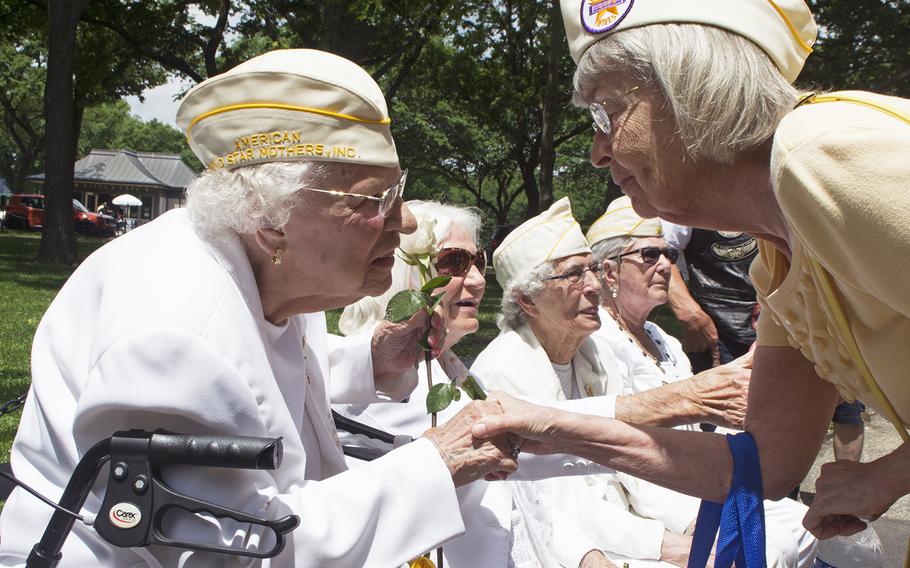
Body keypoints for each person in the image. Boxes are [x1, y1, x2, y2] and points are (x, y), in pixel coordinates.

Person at [0, 49, 518, 567]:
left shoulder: (267, 269)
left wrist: (371, 361)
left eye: (396, 191)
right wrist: (437, 463)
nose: (404, 221)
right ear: (269, 218)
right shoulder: (174, 335)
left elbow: (259, 379)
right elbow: (240, 551)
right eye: (374, 198)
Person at [471, 0, 910, 544]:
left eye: (607, 113)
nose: (596, 152)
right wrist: (556, 427)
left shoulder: (820, 154)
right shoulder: (777, 255)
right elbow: (764, 464)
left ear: (690, 94)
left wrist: (889, 474)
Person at [336, 200, 619, 568]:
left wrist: (588, 556)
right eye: (455, 263)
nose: (478, 280)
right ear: (408, 274)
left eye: (479, 262)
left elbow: (526, 498)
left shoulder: (457, 373)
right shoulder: (371, 387)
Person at [587, 196, 818, 567]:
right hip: (657, 498)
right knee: (772, 549)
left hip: (695, 479)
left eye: (669, 256)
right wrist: (687, 521)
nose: (665, 266)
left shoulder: (665, 339)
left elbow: (699, 426)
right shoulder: (598, 344)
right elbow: (617, 445)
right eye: (649, 255)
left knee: (809, 528)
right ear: (610, 273)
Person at [661, 220, 759, 372]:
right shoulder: (688, 198)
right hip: (716, 330)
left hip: (778, 320)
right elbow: (662, 250)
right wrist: (690, 314)